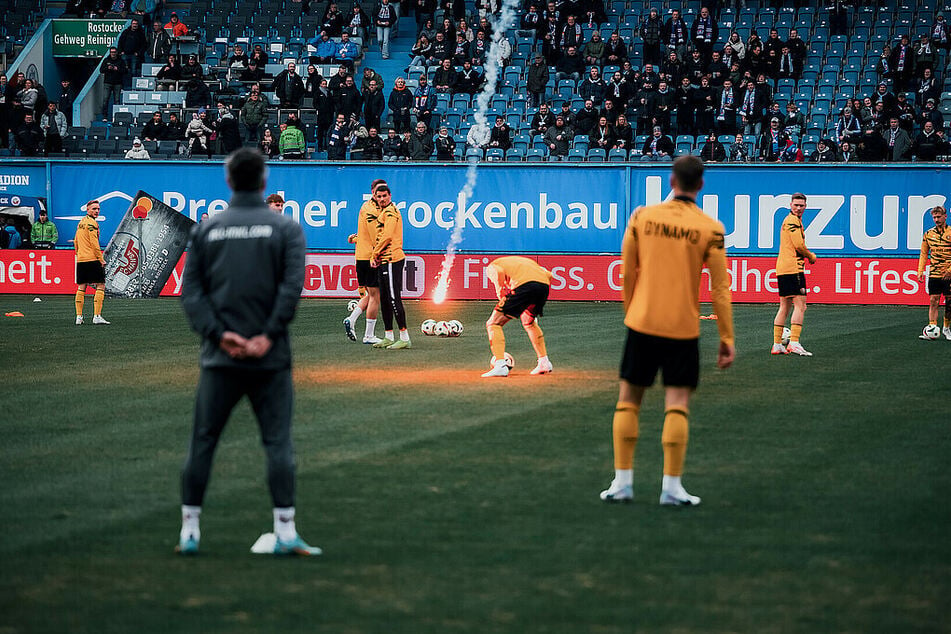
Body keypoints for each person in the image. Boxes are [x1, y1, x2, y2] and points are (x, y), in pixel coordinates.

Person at [178, 148, 318, 556]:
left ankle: (189, 531)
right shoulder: (286, 228)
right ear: (264, 181)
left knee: (202, 442)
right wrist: (266, 336)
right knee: (278, 444)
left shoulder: (207, 229)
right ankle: (286, 531)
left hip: (220, 358)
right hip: (270, 358)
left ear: (228, 181)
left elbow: (192, 293)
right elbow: (290, 290)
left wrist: (221, 336)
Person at [599, 156, 734, 506]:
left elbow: (628, 270)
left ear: (671, 180)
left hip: (642, 323)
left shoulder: (643, 217)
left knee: (628, 402)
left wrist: (632, 311)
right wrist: (726, 337)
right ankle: (671, 488)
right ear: (700, 185)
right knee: (677, 406)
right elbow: (720, 287)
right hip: (682, 328)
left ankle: (622, 483)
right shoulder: (711, 228)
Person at [481, 256, 554, 378]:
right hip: (543, 287)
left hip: (524, 287)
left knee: (493, 323)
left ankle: (500, 366)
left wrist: (499, 290)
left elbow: (497, 272)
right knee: (529, 323)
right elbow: (549, 275)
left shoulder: (492, 266)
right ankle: (544, 362)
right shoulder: (522, 263)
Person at [771, 193, 817, 356]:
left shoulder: (791, 220)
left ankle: (777, 345)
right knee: (801, 305)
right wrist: (810, 256)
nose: (798, 208)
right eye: (796, 205)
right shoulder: (792, 221)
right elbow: (798, 244)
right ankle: (794, 343)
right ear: (790, 205)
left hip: (783, 267)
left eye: (801, 205)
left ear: (805, 206)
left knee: (785, 306)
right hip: (793, 269)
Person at [368, 184, 411, 349]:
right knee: (385, 299)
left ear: (390, 195)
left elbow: (387, 236)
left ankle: (404, 337)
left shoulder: (391, 212)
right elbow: (381, 236)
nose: (381, 199)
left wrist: (374, 254)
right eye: (379, 197)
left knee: (394, 298)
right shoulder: (384, 212)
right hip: (384, 259)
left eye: (384, 196)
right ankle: (388, 336)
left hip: (393, 259)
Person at [344, 179, 386, 344]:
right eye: (377, 192)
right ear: (373, 192)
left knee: (371, 294)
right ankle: (368, 335)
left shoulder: (370, 207)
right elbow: (376, 233)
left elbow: (365, 233)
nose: (380, 196)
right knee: (376, 296)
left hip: (363, 255)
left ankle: (352, 319)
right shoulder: (371, 209)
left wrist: (356, 238)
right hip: (370, 257)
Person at [916, 205, 951, 340]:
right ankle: (932, 328)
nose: (936, 219)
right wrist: (920, 270)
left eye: (939, 217)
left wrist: (950, 270)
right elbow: (924, 253)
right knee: (933, 300)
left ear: (945, 216)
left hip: (948, 274)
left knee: (949, 302)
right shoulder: (928, 234)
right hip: (935, 273)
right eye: (934, 217)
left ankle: (946, 328)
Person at [74, 200, 110, 325]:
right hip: (92, 258)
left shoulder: (81, 223)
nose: (96, 211)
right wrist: (101, 259)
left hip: (81, 259)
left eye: (98, 209)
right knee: (100, 286)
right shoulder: (92, 224)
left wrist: (79, 254)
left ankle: (79, 317)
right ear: (87, 210)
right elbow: (94, 243)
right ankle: (97, 316)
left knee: (81, 287)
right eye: (94, 209)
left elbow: (76, 241)